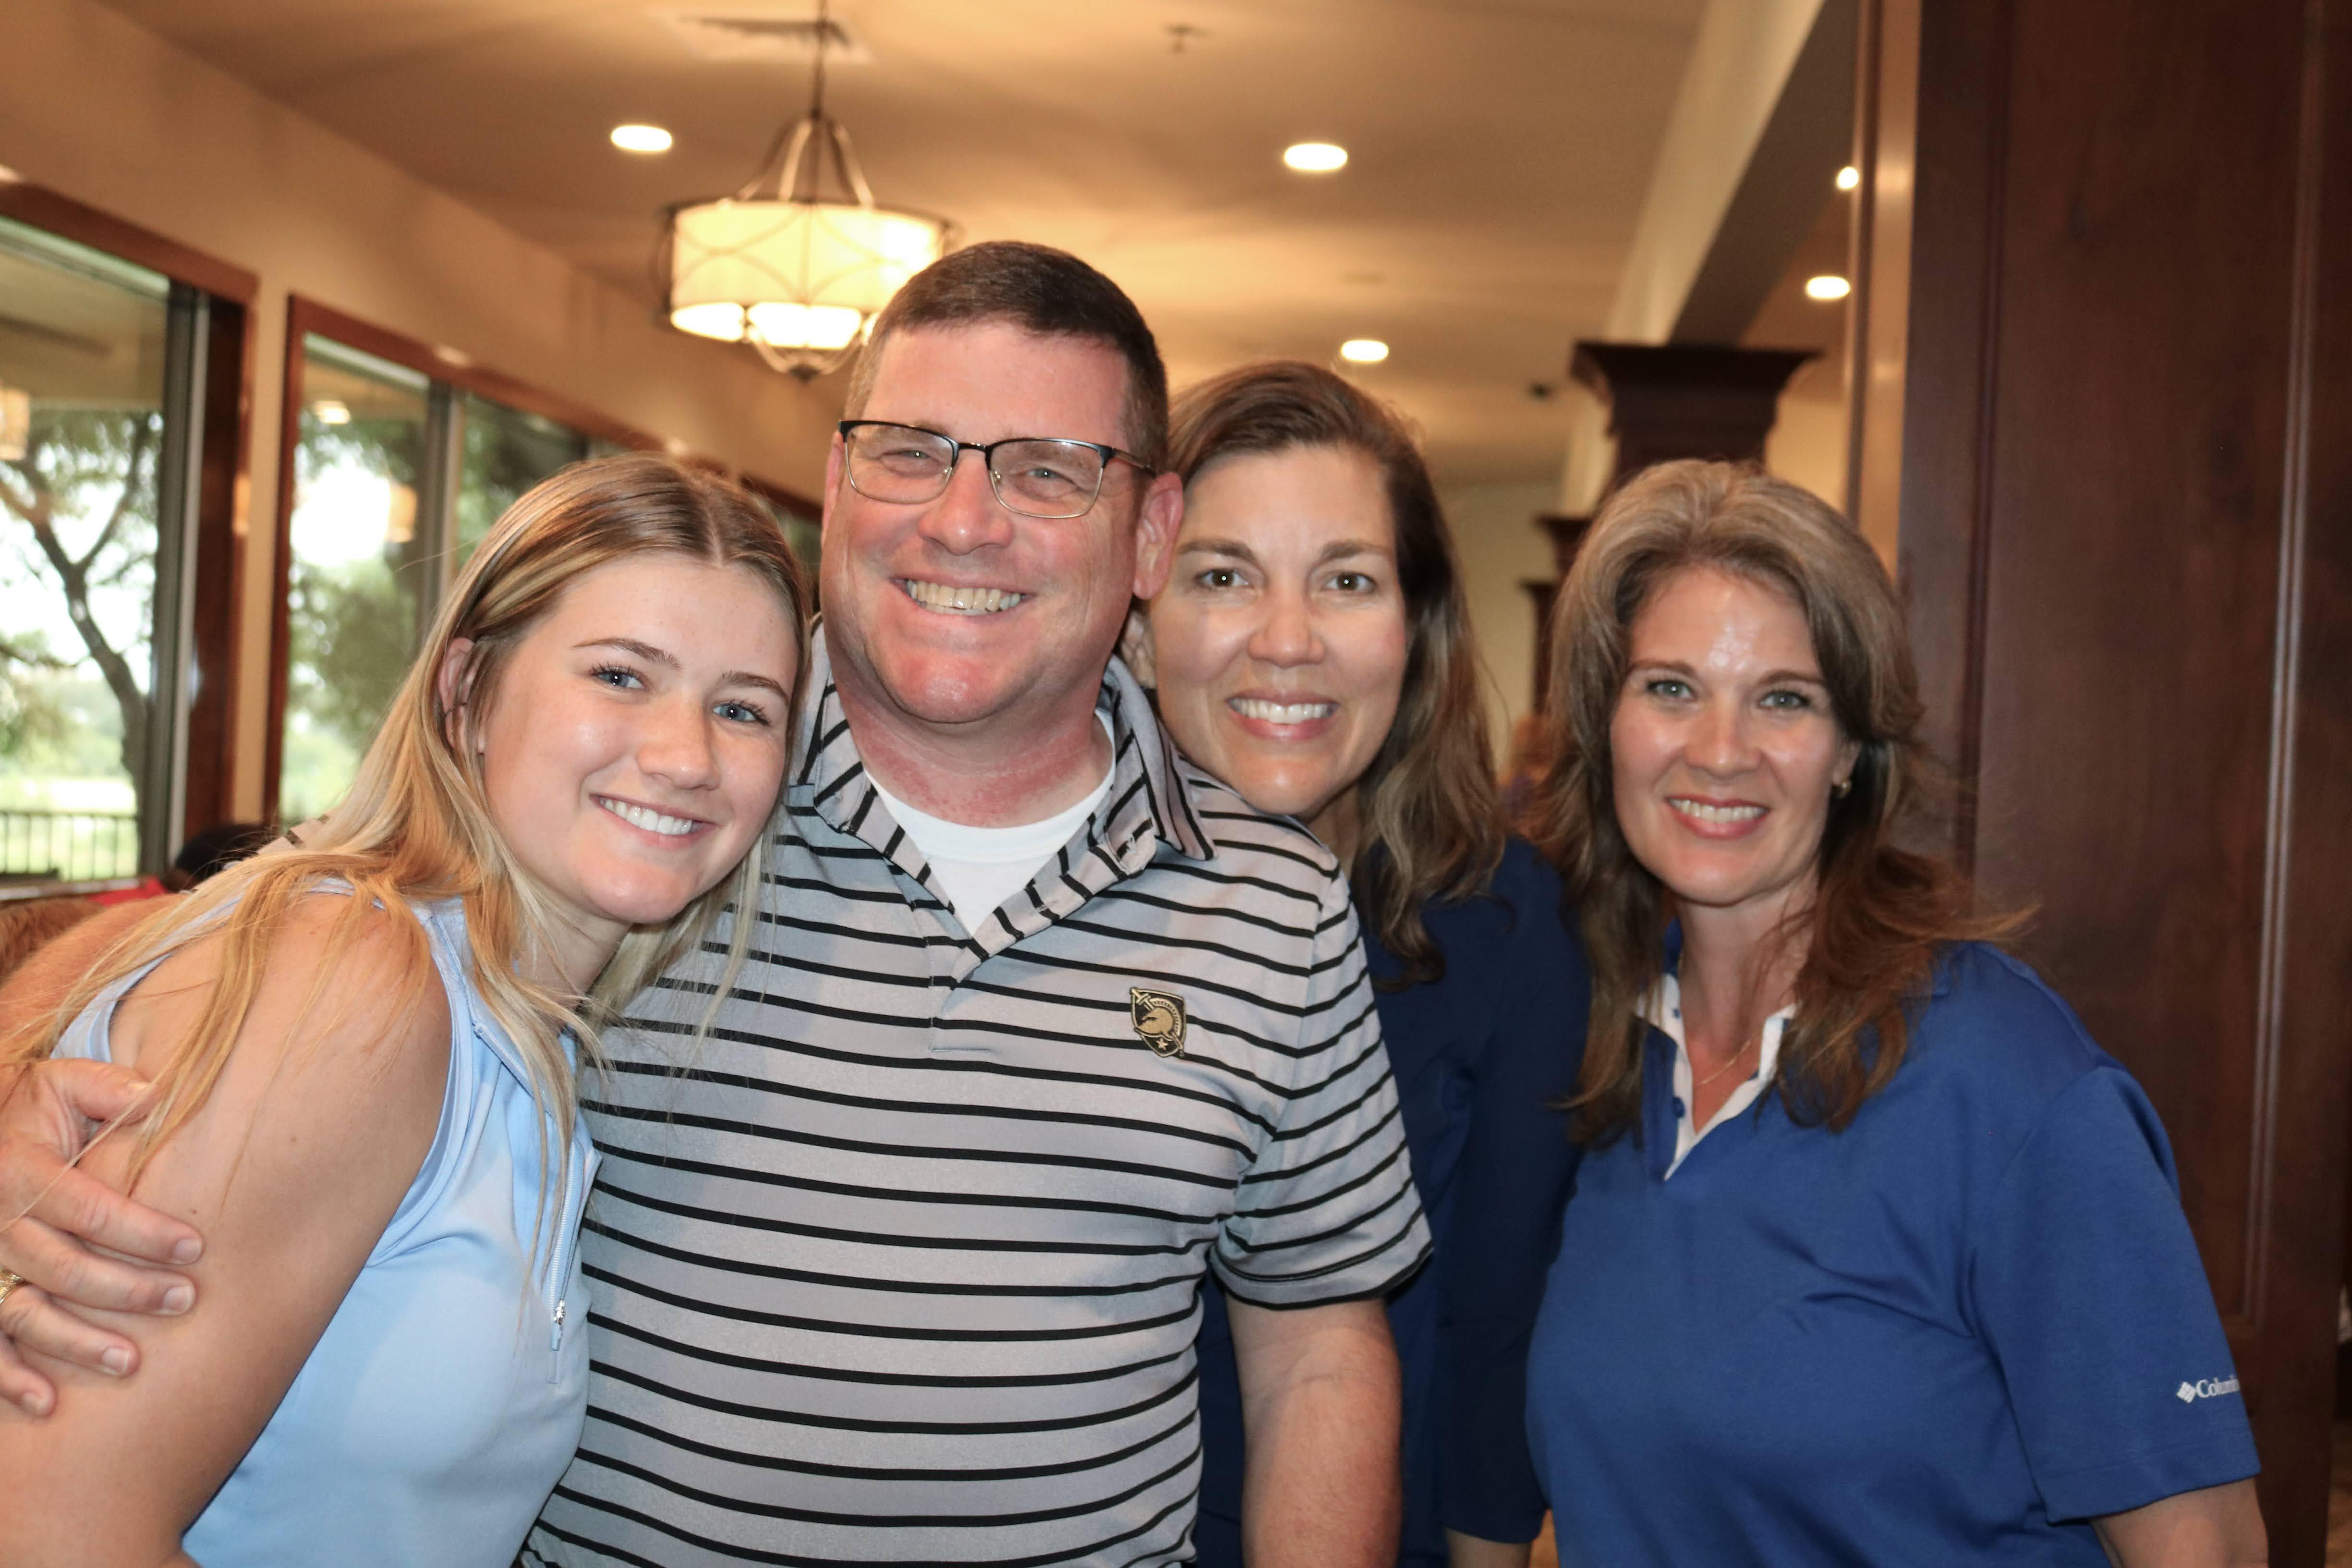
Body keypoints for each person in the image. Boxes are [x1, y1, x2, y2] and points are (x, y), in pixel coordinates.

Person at [0, 243, 1428, 1567]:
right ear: (840, 478)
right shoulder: (657, 814)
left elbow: (1316, 1352)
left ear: (1151, 530)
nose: (963, 519)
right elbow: (316, 911)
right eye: (913, 451)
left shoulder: (1278, 907)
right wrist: (24, 1077)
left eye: (1049, 471)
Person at [0, 454, 810, 1566]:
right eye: (621, 675)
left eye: (742, 708)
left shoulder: (518, 1023)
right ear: (466, 690)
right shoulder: (359, 982)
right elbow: (51, 1523)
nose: (685, 756)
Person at [1519, 460, 2266, 1566]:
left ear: (1851, 751)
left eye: (1785, 697)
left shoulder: (2007, 1080)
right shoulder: (1585, 1055)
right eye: (1670, 688)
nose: (1718, 750)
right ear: (1603, 722)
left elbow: (2206, 1545)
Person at [1139, 361, 1585, 1568]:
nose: (1287, 641)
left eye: (1346, 580)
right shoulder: (1049, 904)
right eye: (1222, 576)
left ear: (1416, 628)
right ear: (1134, 619)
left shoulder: (1507, 924)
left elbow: (1495, 1330)